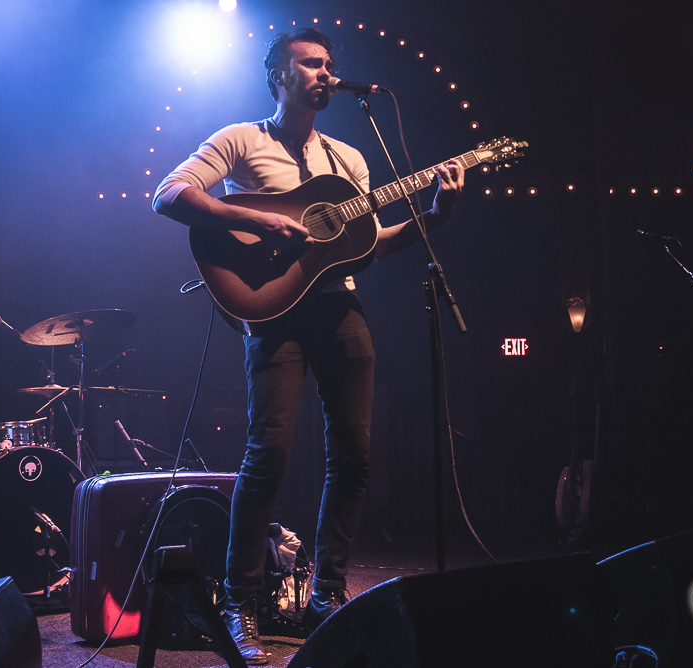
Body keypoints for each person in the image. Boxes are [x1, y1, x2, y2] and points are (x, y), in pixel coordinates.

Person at [153, 28, 464, 664]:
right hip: (270, 309)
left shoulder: (350, 159)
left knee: (354, 455)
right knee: (268, 454)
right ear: (280, 77)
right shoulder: (241, 139)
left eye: (329, 66)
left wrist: (436, 215)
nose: (325, 74)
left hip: (337, 306)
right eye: (311, 65)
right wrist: (258, 217)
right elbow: (169, 194)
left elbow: (369, 243)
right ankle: (241, 601)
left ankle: (326, 593)